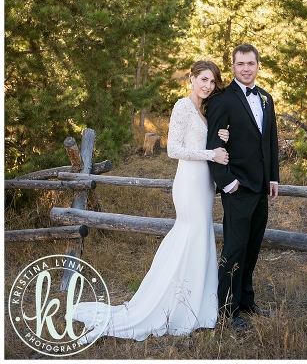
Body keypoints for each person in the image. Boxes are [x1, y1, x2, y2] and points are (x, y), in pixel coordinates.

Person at [73, 60, 230, 342]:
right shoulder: (182, 106)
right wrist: (211, 154)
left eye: (212, 81)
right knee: (189, 233)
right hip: (189, 182)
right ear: (191, 79)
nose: (208, 85)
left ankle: (195, 306)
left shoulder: (203, 110)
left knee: (200, 235)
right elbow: (174, 149)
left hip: (205, 183)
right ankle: (169, 304)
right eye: (203, 79)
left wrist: (221, 138)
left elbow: (204, 143)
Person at [206, 44, 279, 332]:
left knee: (252, 247)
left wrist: (273, 178)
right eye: (240, 64)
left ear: (258, 65)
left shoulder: (266, 98)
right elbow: (212, 145)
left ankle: (247, 300)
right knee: (234, 249)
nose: (246, 68)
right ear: (233, 67)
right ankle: (227, 308)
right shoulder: (222, 100)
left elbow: (270, 141)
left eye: (251, 63)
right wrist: (227, 182)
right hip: (237, 187)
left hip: (261, 187)